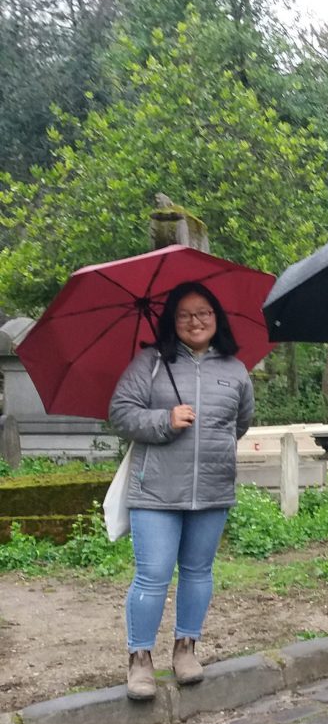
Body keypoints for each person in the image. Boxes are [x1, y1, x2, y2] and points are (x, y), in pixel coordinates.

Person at [109, 281, 254, 701]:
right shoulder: (151, 363)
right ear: (173, 321)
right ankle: (140, 659)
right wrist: (164, 421)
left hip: (211, 489)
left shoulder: (234, 369)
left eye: (204, 313)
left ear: (217, 318)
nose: (196, 321)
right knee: (152, 575)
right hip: (155, 490)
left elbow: (239, 423)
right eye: (186, 315)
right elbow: (120, 413)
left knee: (197, 573)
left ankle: (186, 648)